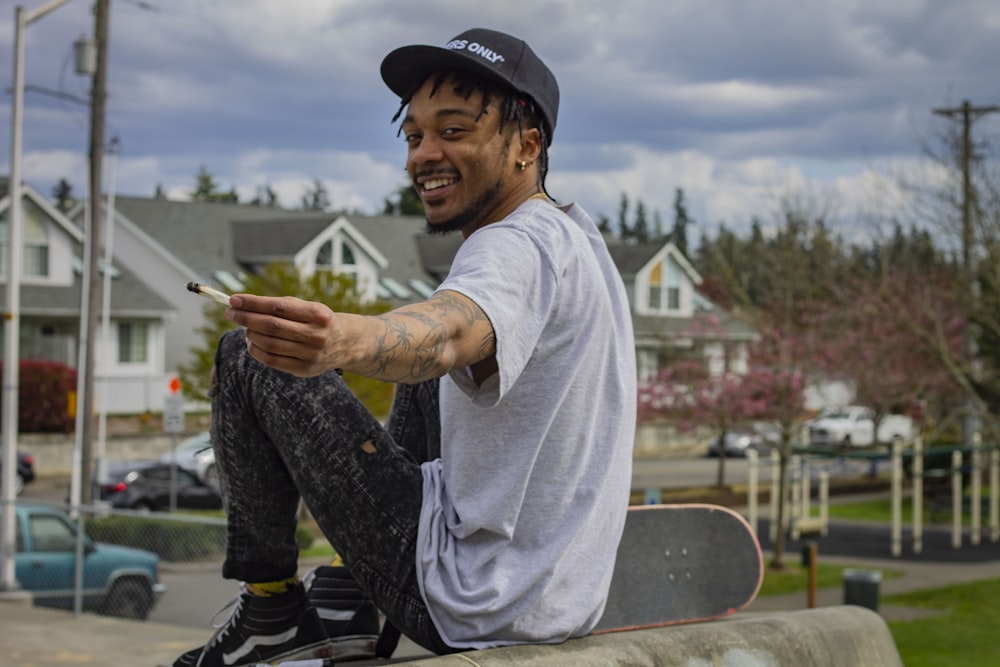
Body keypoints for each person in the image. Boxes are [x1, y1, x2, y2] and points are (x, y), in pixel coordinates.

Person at [173, 27, 636, 667]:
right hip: (555, 597)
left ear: (527, 145)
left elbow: (447, 330)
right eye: (414, 135)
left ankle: (273, 612)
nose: (424, 155)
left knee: (250, 351)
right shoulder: (576, 238)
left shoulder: (512, 246)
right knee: (426, 364)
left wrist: (343, 340)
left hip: (470, 600)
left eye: (453, 130)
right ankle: (344, 591)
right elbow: (445, 325)